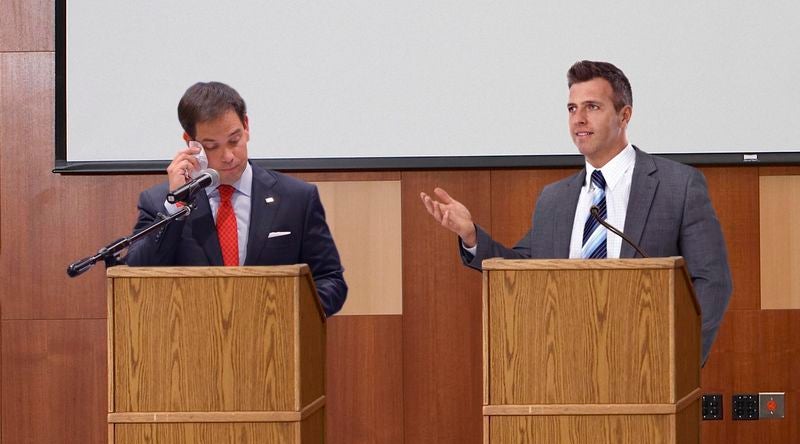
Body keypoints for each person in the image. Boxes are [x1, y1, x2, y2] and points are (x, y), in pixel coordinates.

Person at [420, 60, 731, 363]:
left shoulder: (677, 186)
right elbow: (523, 269)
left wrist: (682, 358)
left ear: (624, 115)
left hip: (647, 364)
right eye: (572, 108)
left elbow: (712, 280)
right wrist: (471, 234)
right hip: (565, 368)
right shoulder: (554, 199)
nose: (579, 118)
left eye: (592, 107)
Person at [126, 81, 347, 316]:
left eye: (234, 140)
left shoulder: (297, 198)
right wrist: (177, 204)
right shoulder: (161, 202)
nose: (228, 156)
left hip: (274, 342)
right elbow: (136, 277)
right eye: (212, 146)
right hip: (191, 344)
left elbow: (330, 280)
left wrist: (284, 314)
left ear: (246, 125)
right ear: (190, 143)